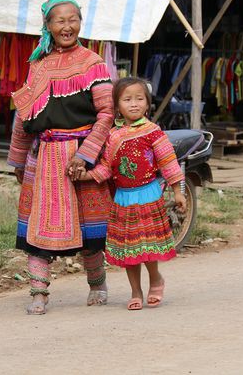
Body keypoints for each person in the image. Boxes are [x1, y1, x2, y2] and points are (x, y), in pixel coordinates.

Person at [8, 0, 114, 315]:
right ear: (48, 25)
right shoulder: (37, 66)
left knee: (90, 229)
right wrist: (16, 158)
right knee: (35, 228)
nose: (67, 26)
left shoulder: (94, 63)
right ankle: (38, 292)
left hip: (82, 155)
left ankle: (97, 283)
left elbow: (107, 113)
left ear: (80, 22)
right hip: (43, 157)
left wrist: (86, 155)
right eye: (60, 20)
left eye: (73, 19)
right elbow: (24, 115)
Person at [78, 77, 187, 310]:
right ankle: (135, 291)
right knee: (129, 249)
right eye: (127, 99)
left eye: (140, 99)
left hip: (148, 196)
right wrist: (86, 176)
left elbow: (168, 162)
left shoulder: (153, 132)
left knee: (147, 247)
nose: (134, 104)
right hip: (124, 199)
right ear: (117, 106)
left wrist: (179, 192)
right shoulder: (114, 136)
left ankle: (156, 279)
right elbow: (107, 167)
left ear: (147, 104)